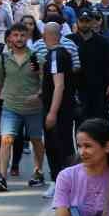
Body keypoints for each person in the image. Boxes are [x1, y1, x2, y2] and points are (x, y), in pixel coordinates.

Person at [0, 24, 46, 191]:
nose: (19, 39)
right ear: (10, 38)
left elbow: (45, 83)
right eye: (15, 35)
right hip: (10, 106)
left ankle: (38, 171)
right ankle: (2, 177)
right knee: (6, 139)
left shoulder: (37, 58)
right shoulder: (4, 59)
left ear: (27, 37)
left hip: (33, 109)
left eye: (22, 35)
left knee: (36, 140)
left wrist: (38, 95)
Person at [37, 21, 78, 188]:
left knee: (58, 145)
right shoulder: (62, 54)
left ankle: (61, 182)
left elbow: (59, 85)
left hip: (59, 109)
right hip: (63, 106)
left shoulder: (55, 56)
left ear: (48, 35)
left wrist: (52, 112)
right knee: (63, 143)